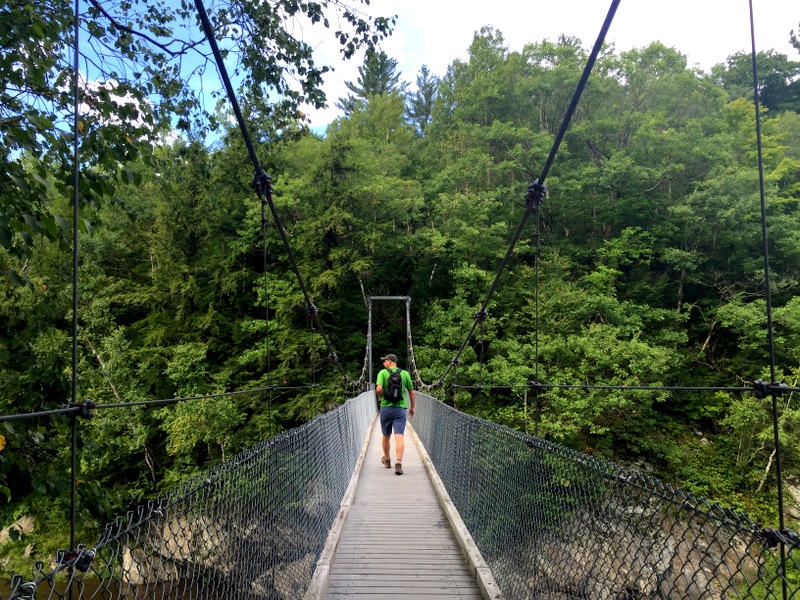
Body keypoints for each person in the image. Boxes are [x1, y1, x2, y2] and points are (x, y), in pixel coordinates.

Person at [375, 353, 415, 475]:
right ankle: (398, 463)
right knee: (399, 436)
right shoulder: (405, 373)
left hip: (386, 408)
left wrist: (381, 398)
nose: (383, 363)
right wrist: (412, 407)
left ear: (390, 362)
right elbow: (412, 392)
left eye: (384, 361)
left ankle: (387, 460)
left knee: (386, 435)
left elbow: (379, 389)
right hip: (400, 409)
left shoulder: (383, 373)